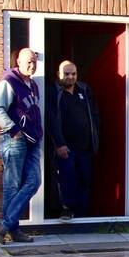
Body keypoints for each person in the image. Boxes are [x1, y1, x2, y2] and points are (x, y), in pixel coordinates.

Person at [0, 48, 42, 244]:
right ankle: (12, 230)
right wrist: (13, 130)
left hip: (33, 140)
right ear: (18, 62)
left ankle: (5, 224)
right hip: (14, 139)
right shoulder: (9, 81)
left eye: (34, 62)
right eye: (28, 62)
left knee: (34, 182)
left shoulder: (33, 85)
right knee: (12, 186)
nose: (32, 65)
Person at [49, 60, 100, 220]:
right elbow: (50, 119)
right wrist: (59, 143)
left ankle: (82, 216)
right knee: (67, 181)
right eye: (66, 74)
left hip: (86, 147)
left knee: (85, 180)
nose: (70, 77)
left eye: (73, 74)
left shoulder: (84, 90)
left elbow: (95, 114)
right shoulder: (52, 92)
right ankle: (67, 212)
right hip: (65, 148)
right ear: (58, 74)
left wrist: (95, 139)